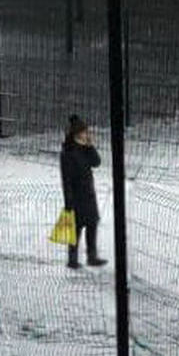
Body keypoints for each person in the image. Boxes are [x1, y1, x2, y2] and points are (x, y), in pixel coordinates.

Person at [60, 115, 106, 269]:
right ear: (77, 134)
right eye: (85, 132)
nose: (87, 134)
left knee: (92, 224)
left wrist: (90, 146)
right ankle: (72, 259)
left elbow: (97, 162)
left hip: (88, 194)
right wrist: (69, 202)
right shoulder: (68, 152)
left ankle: (92, 257)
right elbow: (66, 180)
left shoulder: (85, 149)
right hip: (76, 196)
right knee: (76, 228)